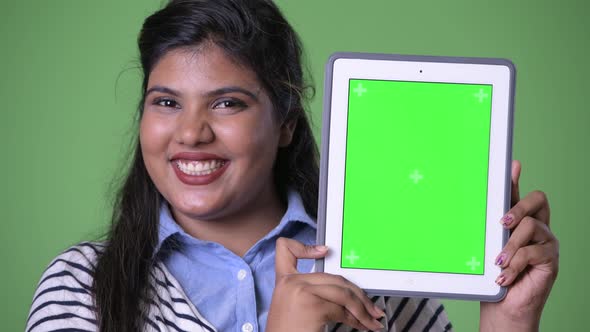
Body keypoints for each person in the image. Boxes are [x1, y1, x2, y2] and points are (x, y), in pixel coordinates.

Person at [25, 0, 559, 331]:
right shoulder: (81, 285)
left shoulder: (380, 276)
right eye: (165, 102)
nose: (190, 133)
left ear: (286, 123)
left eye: (227, 102)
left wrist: (510, 323)